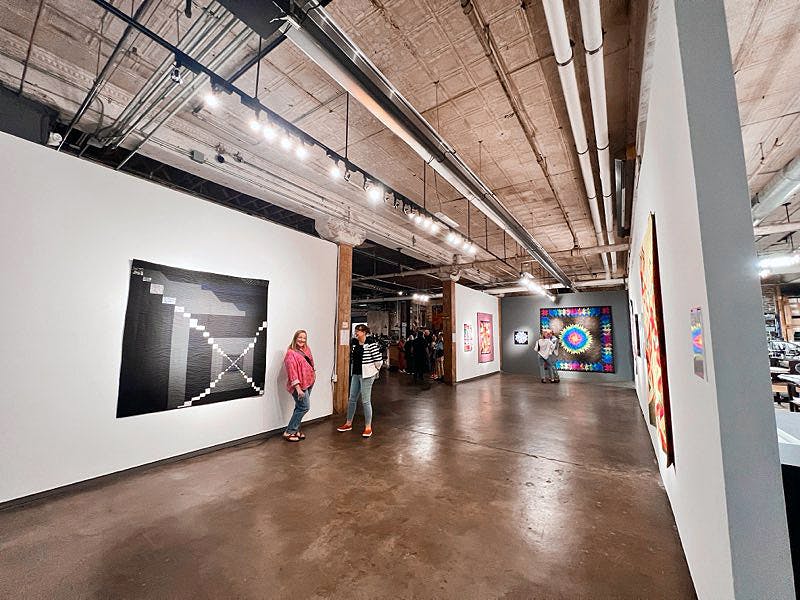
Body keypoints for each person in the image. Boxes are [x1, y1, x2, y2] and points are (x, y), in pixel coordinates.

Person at [338, 324, 383, 437]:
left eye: (358, 331)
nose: (356, 333)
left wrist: (374, 371)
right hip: (356, 374)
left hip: (367, 375)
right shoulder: (354, 343)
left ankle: (368, 427)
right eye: (356, 331)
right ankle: (348, 423)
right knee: (352, 399)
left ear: (364, 332)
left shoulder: (370, 343)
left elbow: (378, 360)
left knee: (365, 401)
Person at [283, 330, 315, 442]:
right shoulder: (290, 353)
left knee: (299, 407)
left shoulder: (307, 349)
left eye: (304, 338)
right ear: (295, 338)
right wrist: (298, 389)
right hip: (299, 386)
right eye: (300, 337)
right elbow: (292, 373)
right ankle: (289, 431)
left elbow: (310, 362)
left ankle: (295, 430)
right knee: (304, 407)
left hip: (308, 382)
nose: (302, 340)